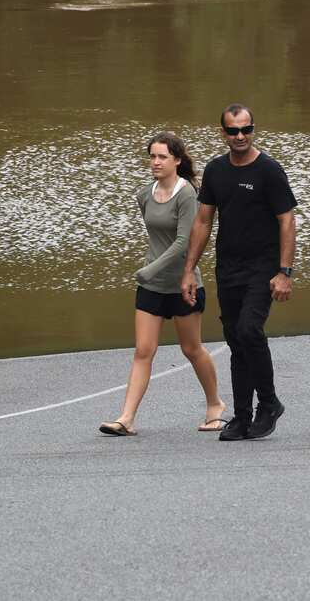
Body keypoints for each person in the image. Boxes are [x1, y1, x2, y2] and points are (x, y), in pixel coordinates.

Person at [99, 132, 227, 436]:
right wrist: (150, 272)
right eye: (152, 156)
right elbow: (156, 238)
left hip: (184, 284)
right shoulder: (145, 194)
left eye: (162, 157)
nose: (155, 162)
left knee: (191, 348)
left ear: (177, 160)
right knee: (143, 350)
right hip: (151, 286)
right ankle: (126, 418)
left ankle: (215, 405)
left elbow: (184, 242)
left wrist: (150, 268)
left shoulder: (187, 194)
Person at [181, 104, 296, 441]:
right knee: (235, 339)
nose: (241, 136)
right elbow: (203, 221)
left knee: (249, 330)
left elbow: (287, 221)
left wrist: (284, 272)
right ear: (224, 133)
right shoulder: (216, 170)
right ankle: (242, 416)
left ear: (253, 130)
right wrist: (189, 270)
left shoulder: (269, 170)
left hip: (263, 268)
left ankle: (269, 403)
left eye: (246, 129)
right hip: (228, 267)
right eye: (233, 131)